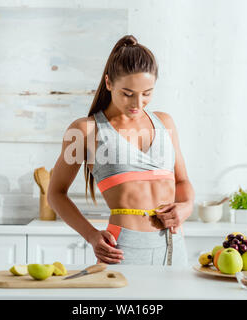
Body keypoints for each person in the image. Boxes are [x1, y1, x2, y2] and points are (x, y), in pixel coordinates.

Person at [48, 35, 195, 266]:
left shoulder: (165, 123)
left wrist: (186, 207)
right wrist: (91, 234)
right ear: (109, 83)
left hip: (174, 246)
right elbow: (55, 193)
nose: (137, 103)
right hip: (123, 249)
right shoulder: (85, 131)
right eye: (128, 94)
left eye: (147, 93)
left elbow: (182, 181)